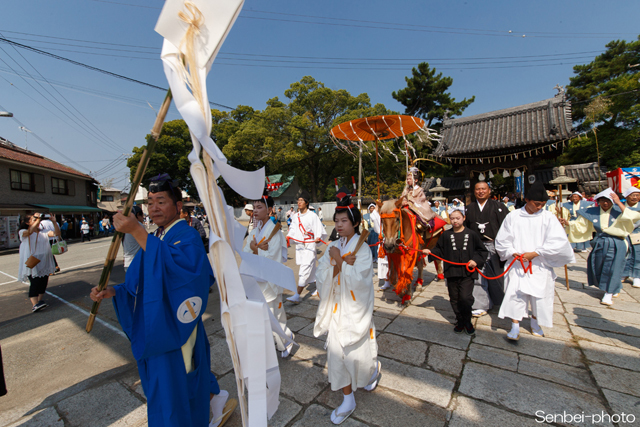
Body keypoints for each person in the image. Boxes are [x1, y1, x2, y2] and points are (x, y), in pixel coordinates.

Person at [89, 174, 233, 427]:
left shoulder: (185, 235)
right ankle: (213, 398)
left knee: (175, 388)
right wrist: (116, 291)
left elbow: (185, 278)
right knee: (179, 381)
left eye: (161, 202)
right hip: (159, 324)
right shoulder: (157, 237)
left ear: (178, 206)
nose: (154, 208)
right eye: (150, 202)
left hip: (176, 327)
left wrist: (136, 230)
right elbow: (145, 281)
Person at [314, 190, 380, 425]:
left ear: (355, 223)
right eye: (337, 221)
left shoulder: (362, 248)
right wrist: (336, 261)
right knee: (335, 352)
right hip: (336, 308)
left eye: (344, 221)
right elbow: (321, 274)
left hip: (354, 307)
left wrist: (338, 260)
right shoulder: (334, 245)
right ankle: (348, 398)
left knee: (357, 355)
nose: (339, 225)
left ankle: (372, 370)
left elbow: (360, 280)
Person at [496, 182, 575, 340]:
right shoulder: (513, 216)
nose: (540, 207)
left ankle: (535, 323)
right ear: (527, 200)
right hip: (517, 263)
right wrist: (513, 252)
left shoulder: (548, 218)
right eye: (537, 204)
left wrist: (536, 253)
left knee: (540, 297)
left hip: (540, 264)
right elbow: (502, 239)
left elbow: (558, 242)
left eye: (543, 204)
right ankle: (515, 326)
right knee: (515, 294)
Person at [562, 188, 640, 305]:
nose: (605, 203)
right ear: (598, 201)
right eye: (602, 200)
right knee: (598, 266)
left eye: (608, 201)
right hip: (600, 241)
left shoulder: (620, 210)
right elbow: (581, 224)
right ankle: (615, 286)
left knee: (613, 267)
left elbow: (632, 217)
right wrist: (568, 223)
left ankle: (609, 293)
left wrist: (618, 202)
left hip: (617, 241)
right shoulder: (593, 211)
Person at [243, 192, 295, 358]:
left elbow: (273, 259)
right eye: (254, 207)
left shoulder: (275, 232)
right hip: (256, 281)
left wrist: (255, 249)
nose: (256, 210)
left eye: (260, 207)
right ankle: (272, 341)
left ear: (270, 210)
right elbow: (245, 252)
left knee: (275, 315)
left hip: (269, 281)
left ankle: (286, 339)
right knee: (262, 316)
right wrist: (255, 249)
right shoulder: (254, 231)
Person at [423, 207, 487, 335]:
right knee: (454, 298)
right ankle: (460, 321)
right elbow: (439, 250)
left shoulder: (471, 234)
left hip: (467, 272)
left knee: (465, 297)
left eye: (458, 218)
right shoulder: (446, 235)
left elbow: (482, 251)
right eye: (452, 218)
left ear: (463, 218)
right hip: (451, 272)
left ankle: (467, 320)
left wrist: (475, 261)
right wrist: (430, 252)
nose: (455, 221)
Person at [464, 181, 509, 317]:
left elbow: (507, 227)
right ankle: (480, 304)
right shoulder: (470, 208)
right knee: (478, 276)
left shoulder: (499, 207)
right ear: (474, 191)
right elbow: (466, 227)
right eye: (478, 189)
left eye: (483, 189)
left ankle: (499, 301)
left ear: (489, 191)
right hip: (477, 246)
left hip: (495, 244)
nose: (481, 191)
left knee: (497, 274)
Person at [286, 189, 326, 303]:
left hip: (309, 245)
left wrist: (318, 238)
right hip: (299, 246)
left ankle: (297, 295)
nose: (299, 202)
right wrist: (288, 236)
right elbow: (293, 228)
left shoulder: (312, 216)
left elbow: (319, 230)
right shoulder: (295, 216)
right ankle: (319, 286)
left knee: (304, 269)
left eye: (301, 200)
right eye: (298, 200)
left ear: (307, 202)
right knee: (311, 269)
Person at [18, 212, 61, 312]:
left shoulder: (43, 232)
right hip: (32, 260)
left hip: (44, 260)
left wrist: (54, 223)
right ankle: (35, 304)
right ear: (27, 223)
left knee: (43, 281)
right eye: (34, 219)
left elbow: (57, 234)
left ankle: (40, 301)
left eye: (38, 219)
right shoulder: (23, 231)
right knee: (35, 282)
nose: (38, 221)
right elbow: (29, 232)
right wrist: (37, 219)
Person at [622, 187, 640, 288]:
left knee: (637, 254)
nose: (635, 197)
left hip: (637, 233)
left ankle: (637, 276)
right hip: (622, 232)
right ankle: (624, 273)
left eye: (637, 195)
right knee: (624, 253)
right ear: (627, 196)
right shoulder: (619, 206)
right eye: (632, 195)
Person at [122, 206, 144, 273]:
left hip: (127, 262)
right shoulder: (137, 225)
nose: (143, 218)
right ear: (137, 215)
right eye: (142, 216)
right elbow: (146, 244)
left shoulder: (124, 226)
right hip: (136, 263)